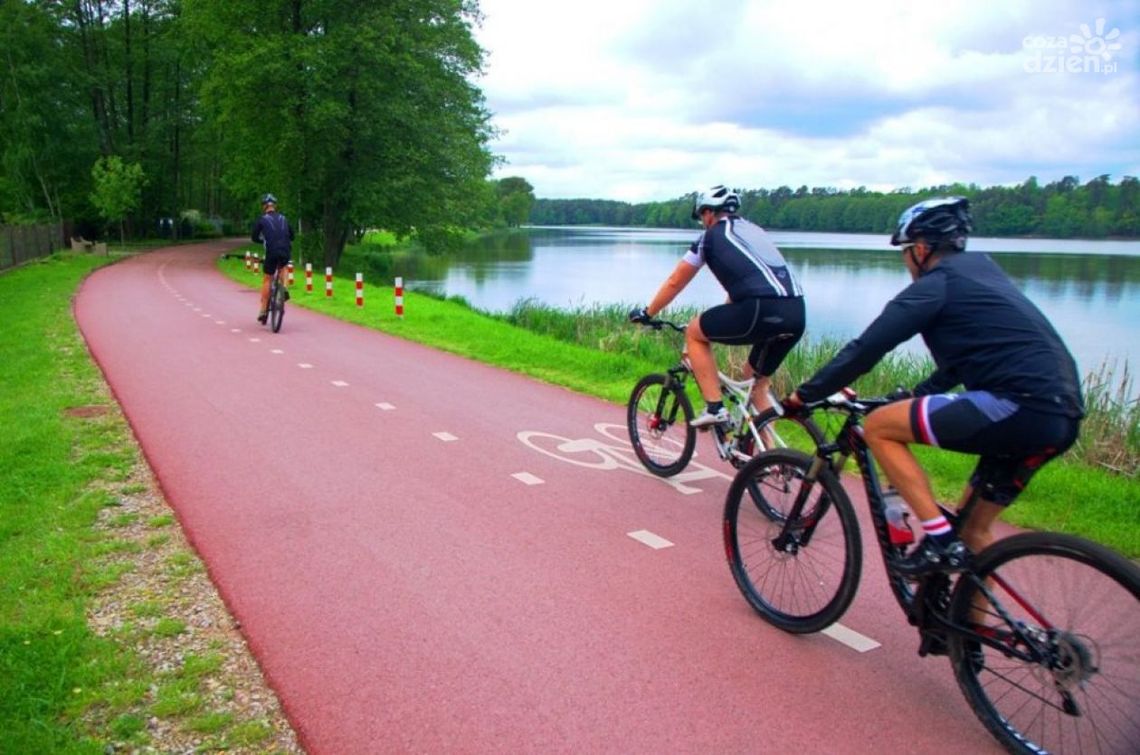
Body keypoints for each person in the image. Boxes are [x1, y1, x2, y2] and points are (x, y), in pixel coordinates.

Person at [784, 197, 1084, 576]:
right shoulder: (983, 273)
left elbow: (867, 348)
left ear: (921, 249)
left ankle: (938, 540)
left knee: (878, 426)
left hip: (1016, 406)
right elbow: (961, 363)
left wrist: (804, 395)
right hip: (1061, 414)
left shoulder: (936, 285)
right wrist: (915, 395)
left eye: (906, 251)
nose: (906, 261)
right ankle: (963, 633)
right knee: (975, 532)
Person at [629, 185, 806, 427]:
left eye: (702, 215)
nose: (702, 221)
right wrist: (725, 313)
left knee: (694, 332)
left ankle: (715, 408)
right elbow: (747, 284)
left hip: (759, 309)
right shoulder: (754, 232)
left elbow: (675, 282)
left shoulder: (709, 238)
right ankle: (771, 460)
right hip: (796, 312)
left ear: (709, 212)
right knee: (757, 383)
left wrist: (647, 313)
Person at [251, 193, 295, 324]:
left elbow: (253, 237)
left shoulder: (262, 220)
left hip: (272, 251)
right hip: (285, 250)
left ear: (264, 207)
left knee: (267, 278)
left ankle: (263, 310)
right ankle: (284, 288)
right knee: (283, 266)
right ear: (274, 206)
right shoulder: (284, 218)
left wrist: (263, 240)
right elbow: (292, 236)